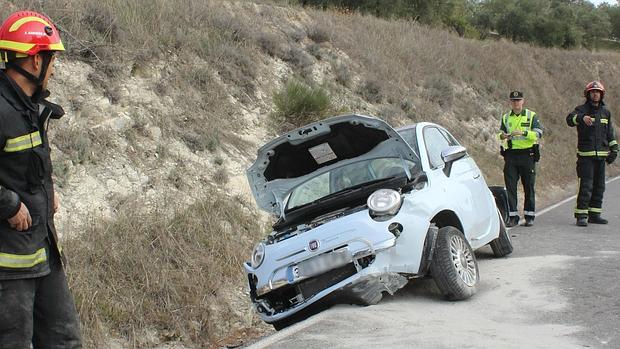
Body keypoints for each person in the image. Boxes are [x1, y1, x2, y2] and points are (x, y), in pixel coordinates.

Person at [0, 11, 82, 348]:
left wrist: (49, 191)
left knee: (65, 339)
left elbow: (27, 164)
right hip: (9, 265)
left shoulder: (27, 106)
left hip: (42, 248)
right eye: (52, 60)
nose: (54, 69)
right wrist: (8, 203)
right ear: (34, 61)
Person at [566, 81, 618, 227]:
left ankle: (594, 214)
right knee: (586, 185)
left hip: (601, 157)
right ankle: (581, 215)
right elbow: (569, 119)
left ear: (602, 94)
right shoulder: (581, 110)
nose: (595, 94)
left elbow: (610, 133)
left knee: (599, 186)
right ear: (588, 94)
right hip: (585, 157)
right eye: (592, 92)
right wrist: (581, 118)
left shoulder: (605, 112)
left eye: (598, 92)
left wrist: (614, 149)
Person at [497, 91, 543, 227]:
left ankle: (529, 215)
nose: (516, 103)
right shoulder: (506, 117)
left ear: (523, 101)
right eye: (513, 100)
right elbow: (500, 132)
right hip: (511, 155)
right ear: (510, 102)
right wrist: (503, 135)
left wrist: (524, 133)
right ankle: (512, 216)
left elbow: (538, 133)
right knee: (510, 187)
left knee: (528, 186)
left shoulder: (531, 115)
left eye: (518, 100)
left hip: (527, 155)